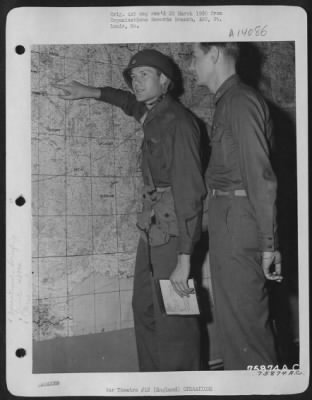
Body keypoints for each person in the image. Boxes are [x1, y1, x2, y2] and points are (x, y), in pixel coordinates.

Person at [54, 49, 206, 371]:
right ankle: (153, 383)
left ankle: (186, 385)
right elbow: (128, 103)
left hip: (175, 234)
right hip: (152, 230)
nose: (136, 83)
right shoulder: (153, 112)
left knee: (176, 318)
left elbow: (191, 195)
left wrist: (184, 259)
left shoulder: (179, 123)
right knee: (145, 308)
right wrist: (89, 92)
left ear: (165, 81)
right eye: (133, 77)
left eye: (144, 75)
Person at [189, 42, 283, 370]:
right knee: (238, 332)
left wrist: (270, 245)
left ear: (214, 53)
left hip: (239, 225)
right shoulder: (228, 102)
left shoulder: (240, 102)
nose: (191, 66)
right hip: (228, 221)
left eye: (195, 56)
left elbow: (261, 176)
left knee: (247, 337)